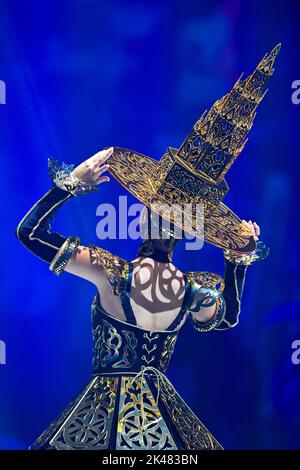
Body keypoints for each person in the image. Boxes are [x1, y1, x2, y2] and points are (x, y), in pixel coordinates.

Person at [15, 44, 280, 450]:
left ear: (143, 215)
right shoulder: (195, 288)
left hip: (100, 423)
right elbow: (226, 316)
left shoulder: (112, 272)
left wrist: (71, 186)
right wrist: (238, 260)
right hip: (162, 428)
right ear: (190, 229)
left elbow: (29, 233)